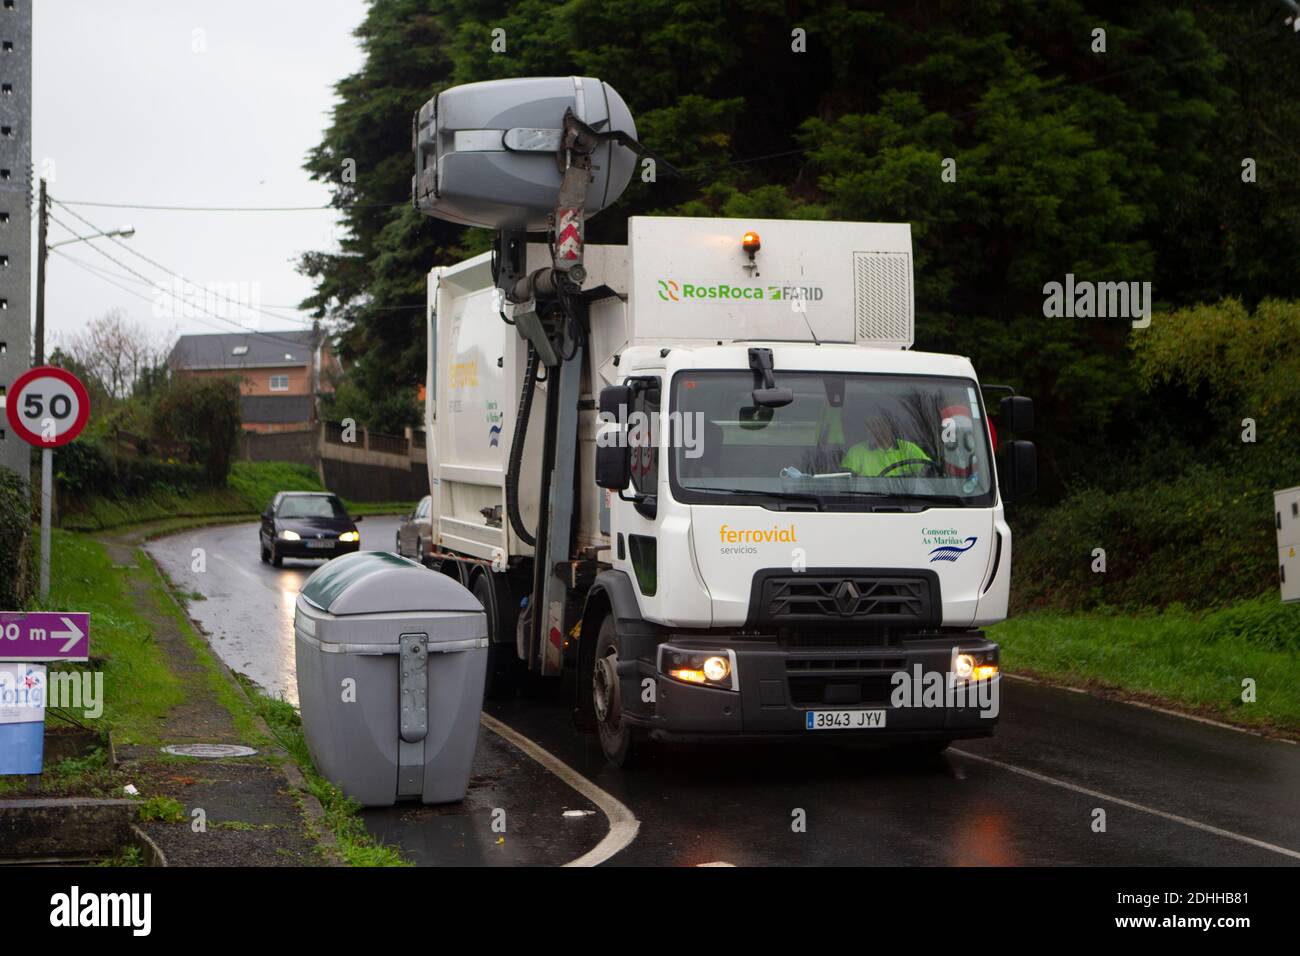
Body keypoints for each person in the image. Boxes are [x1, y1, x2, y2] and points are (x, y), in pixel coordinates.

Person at [842, 413, 932, 477]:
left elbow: (929, 472)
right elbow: (845, 480)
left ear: (889, 427)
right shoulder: (856, 452)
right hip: (868, 500)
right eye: (870, 426)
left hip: (906, 500)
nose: (875, 430)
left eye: (878, 425)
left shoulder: (908, 449)